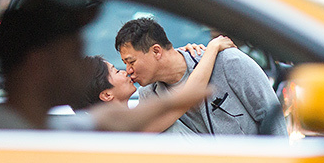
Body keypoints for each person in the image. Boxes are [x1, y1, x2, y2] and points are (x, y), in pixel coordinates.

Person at [0, 0, 209, 131]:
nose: (84, 67)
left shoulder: (48, 128)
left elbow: (113, 120)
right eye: (74, 55)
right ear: (39, 65)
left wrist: (174, 62)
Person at [115, 17, 287, 136]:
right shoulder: (148, 96)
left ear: (156, 51)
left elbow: (270, 114)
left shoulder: (228, 61)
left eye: (131, 62)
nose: (128, 70)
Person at [74, 35, 235, 134]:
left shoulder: (125, 123)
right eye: (117, 71)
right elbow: (187, 95)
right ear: (107, 94)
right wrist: (212, 49)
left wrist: (175, 58)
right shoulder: (128, 129)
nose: (126, 72)